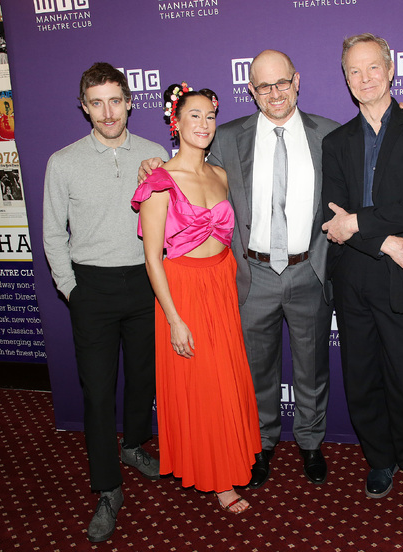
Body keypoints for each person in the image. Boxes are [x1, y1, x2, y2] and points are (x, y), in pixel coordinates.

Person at [140, 50, 339, 488]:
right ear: (250, 91)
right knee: (255, 369)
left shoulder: (330, 134)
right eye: (263, 86)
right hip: (251, 274)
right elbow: (185, 170)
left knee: (312, 367)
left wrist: (399, 116)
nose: (275, 93)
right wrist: (152, 164)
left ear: (297, 81)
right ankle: (262, 443)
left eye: (282, 83)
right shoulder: (226, 137)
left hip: (310, 271)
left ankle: (310, 442)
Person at [42, 62, 167, 543]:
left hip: (144, 282)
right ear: (84, 106)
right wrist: (71, 289)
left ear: (131, 101)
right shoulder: (64, 161)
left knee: (142, 377)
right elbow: (53, 234)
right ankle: (107, 488)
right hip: (90, 288)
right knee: (97, 393)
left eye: (116, 100)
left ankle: (134, 446)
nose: (108, 111)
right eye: (97, 102)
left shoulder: (156, 154)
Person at [322, 33, 403, 499]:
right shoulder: (335, 142)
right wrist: (386, 241)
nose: (365, 78)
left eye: (373, 67)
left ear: (391, 70)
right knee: (362, 377)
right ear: (346, 80)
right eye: (354, 70)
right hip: (355, 273)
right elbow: (330, 218)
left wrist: (359, 222)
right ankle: (378, 459)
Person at [132, 83, 261, 513]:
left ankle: (228, 460)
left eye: (210, 116)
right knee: (200, 384)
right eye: (194, 116)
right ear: (176, 122)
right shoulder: (159, 183)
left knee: (225, 380)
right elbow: (152, 259)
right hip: (183, 290)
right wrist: (174, 319)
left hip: (221, 284)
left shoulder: (219, 174)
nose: (204, 124)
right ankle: (217, 478)